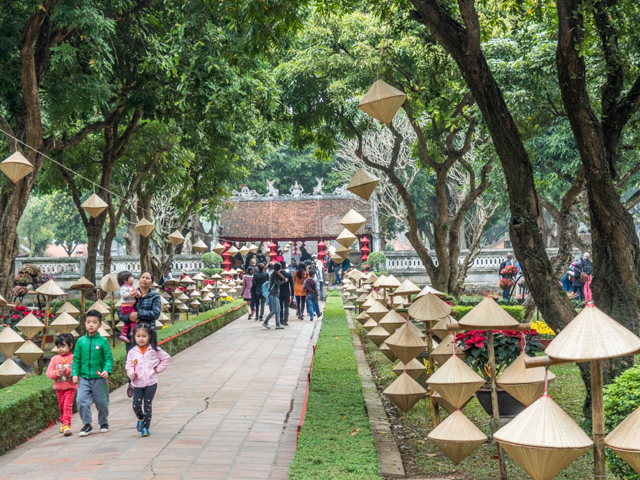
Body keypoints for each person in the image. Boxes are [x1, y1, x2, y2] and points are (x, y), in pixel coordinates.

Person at [118, 270, 162, 398]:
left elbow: (155, 313)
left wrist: (139, 314)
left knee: (148, 360)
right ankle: (132, 383)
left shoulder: (154, 296)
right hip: (133, 333)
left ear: (152, 282)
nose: (144, 280)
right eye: (142, 277)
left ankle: (147, 386)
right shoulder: (130, 293)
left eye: (148, 278)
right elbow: (121, 312)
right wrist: (130, 317)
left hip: (149, 333)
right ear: (139, 279)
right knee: (132, 360)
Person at [72, 310, 113, 437]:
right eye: (88, 322)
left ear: (100, 325)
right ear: (84, 324)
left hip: (99, 379)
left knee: (102, 403)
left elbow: (108, 359)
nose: (91, 325)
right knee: (81, 400)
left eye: (94, 322)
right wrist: (74, 373)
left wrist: (106, 370)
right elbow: (76, 359)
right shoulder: (80, 341)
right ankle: (87, 424)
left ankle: (103, 422)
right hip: (84, 378)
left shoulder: (103, 342)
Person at [125, 323, 171, 437]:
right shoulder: (132, 352)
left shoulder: (154, 350)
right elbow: (128, 366)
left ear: (149, 336)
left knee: (147, 405)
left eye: (144, 336)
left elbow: (166, 358)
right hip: (137, 384)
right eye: (138, 336)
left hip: (151, 383)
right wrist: (131, 374)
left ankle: (146, 427)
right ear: (134, 337)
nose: (141, 339)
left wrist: (157, 369)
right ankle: (140, 418)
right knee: (136, 405)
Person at [46, 333, 78, 436]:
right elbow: (49, 373)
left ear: (71, 346)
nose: (60, 349)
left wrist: (67, 370)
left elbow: (76, 371)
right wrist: (56, 373)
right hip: (59, 388)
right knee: (61, 406)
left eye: (63, 346)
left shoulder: (74, 358)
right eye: (58, 347)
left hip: (70, 387)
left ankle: (67, 425)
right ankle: (63, 423)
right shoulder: (54, 359)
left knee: (67, 406)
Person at [262, 263, 288, 329]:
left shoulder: (274, 274)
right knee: (275, 310)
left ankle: (278, 324)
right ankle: (265, 322)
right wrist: (284, 281)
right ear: (279, 268)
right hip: (273, 294)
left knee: (278, 310)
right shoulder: (275, 275)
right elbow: (278, 283)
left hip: (275, 294)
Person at [118, 270, 141, 343]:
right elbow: (124, 295)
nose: (133, 278)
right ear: (125, 280)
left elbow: (138, 293)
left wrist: (138, 294)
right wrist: (132, 293)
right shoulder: (123, 288)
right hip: (126, 307)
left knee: (128, 322)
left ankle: (124, 334)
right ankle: (133, 330)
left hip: (129, 306)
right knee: (135, 318)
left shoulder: (132, 287)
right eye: (130, 277)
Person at [279, 260, 294, 326]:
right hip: (287, 292)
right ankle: (285, 320)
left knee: (280, 306)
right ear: (285, 266)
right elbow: (291, 285)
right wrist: (292, 294)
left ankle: (281, 320)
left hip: (279, 292)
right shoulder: (288, 275)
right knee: (286, 306)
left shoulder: (278, 275)